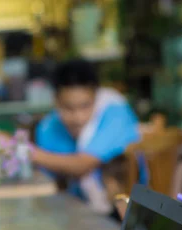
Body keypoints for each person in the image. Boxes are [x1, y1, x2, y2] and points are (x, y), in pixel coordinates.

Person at [32, 59, 143, 213]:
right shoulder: (48, 127)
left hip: (124, 212)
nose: (78, 117)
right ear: (56, 101)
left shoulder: (114, 113)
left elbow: (83, 165)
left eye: (85, 106)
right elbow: (47, 182)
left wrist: (26, 151)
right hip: (73, 212)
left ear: (96, 97)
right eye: (68, 108)